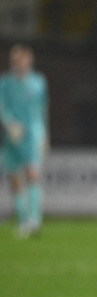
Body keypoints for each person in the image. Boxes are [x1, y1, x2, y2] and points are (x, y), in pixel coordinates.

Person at [0, 44, 49, 238]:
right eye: (16, 60)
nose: (20, 63)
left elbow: (42, 109)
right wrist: (9, 123)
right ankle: (22, 219)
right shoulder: (5, 83)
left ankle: (35, 219)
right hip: (12, 136)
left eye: (23, 59)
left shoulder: (38, 82)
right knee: (15, 179)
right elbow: (2, 106)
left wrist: (44, 133)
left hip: (31, 134)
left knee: (33, 173)